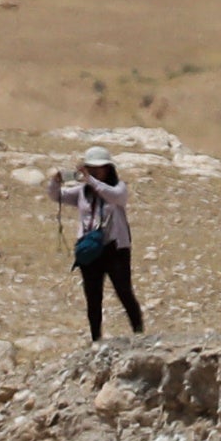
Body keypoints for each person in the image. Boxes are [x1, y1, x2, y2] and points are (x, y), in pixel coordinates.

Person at [59, 145, 141, 340]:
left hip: (115, 248)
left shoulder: (118, 188)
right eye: (91, 168)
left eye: (100, 168)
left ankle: (139, 332)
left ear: (108, 168)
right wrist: (56, 182)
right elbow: (57, 196)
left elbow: (113, 196)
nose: (96, 171)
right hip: (91, 248)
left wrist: (91, 180)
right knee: (93, 297)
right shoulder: (82, 192)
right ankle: (96, 338)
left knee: (124, 291)